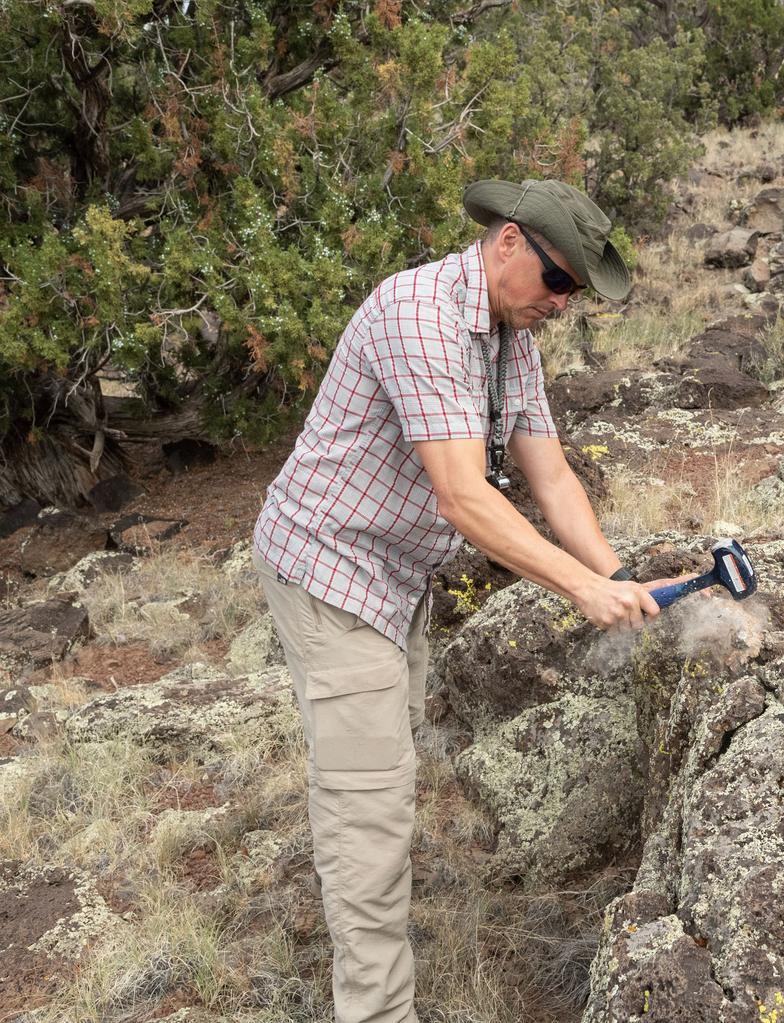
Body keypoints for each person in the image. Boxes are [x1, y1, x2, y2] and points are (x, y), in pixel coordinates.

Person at [251, 178, 674, 1023]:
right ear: (509, 241)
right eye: (559, 282)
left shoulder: (510, 336)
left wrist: (619, 575)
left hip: (392, 575)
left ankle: (361, 885)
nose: (562, 303)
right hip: (331, 571)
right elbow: (463, 496)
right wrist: (582, 587)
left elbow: (549, 474)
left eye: (575, 295)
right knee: (369, 809)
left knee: (374, 778)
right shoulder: (422, 315)